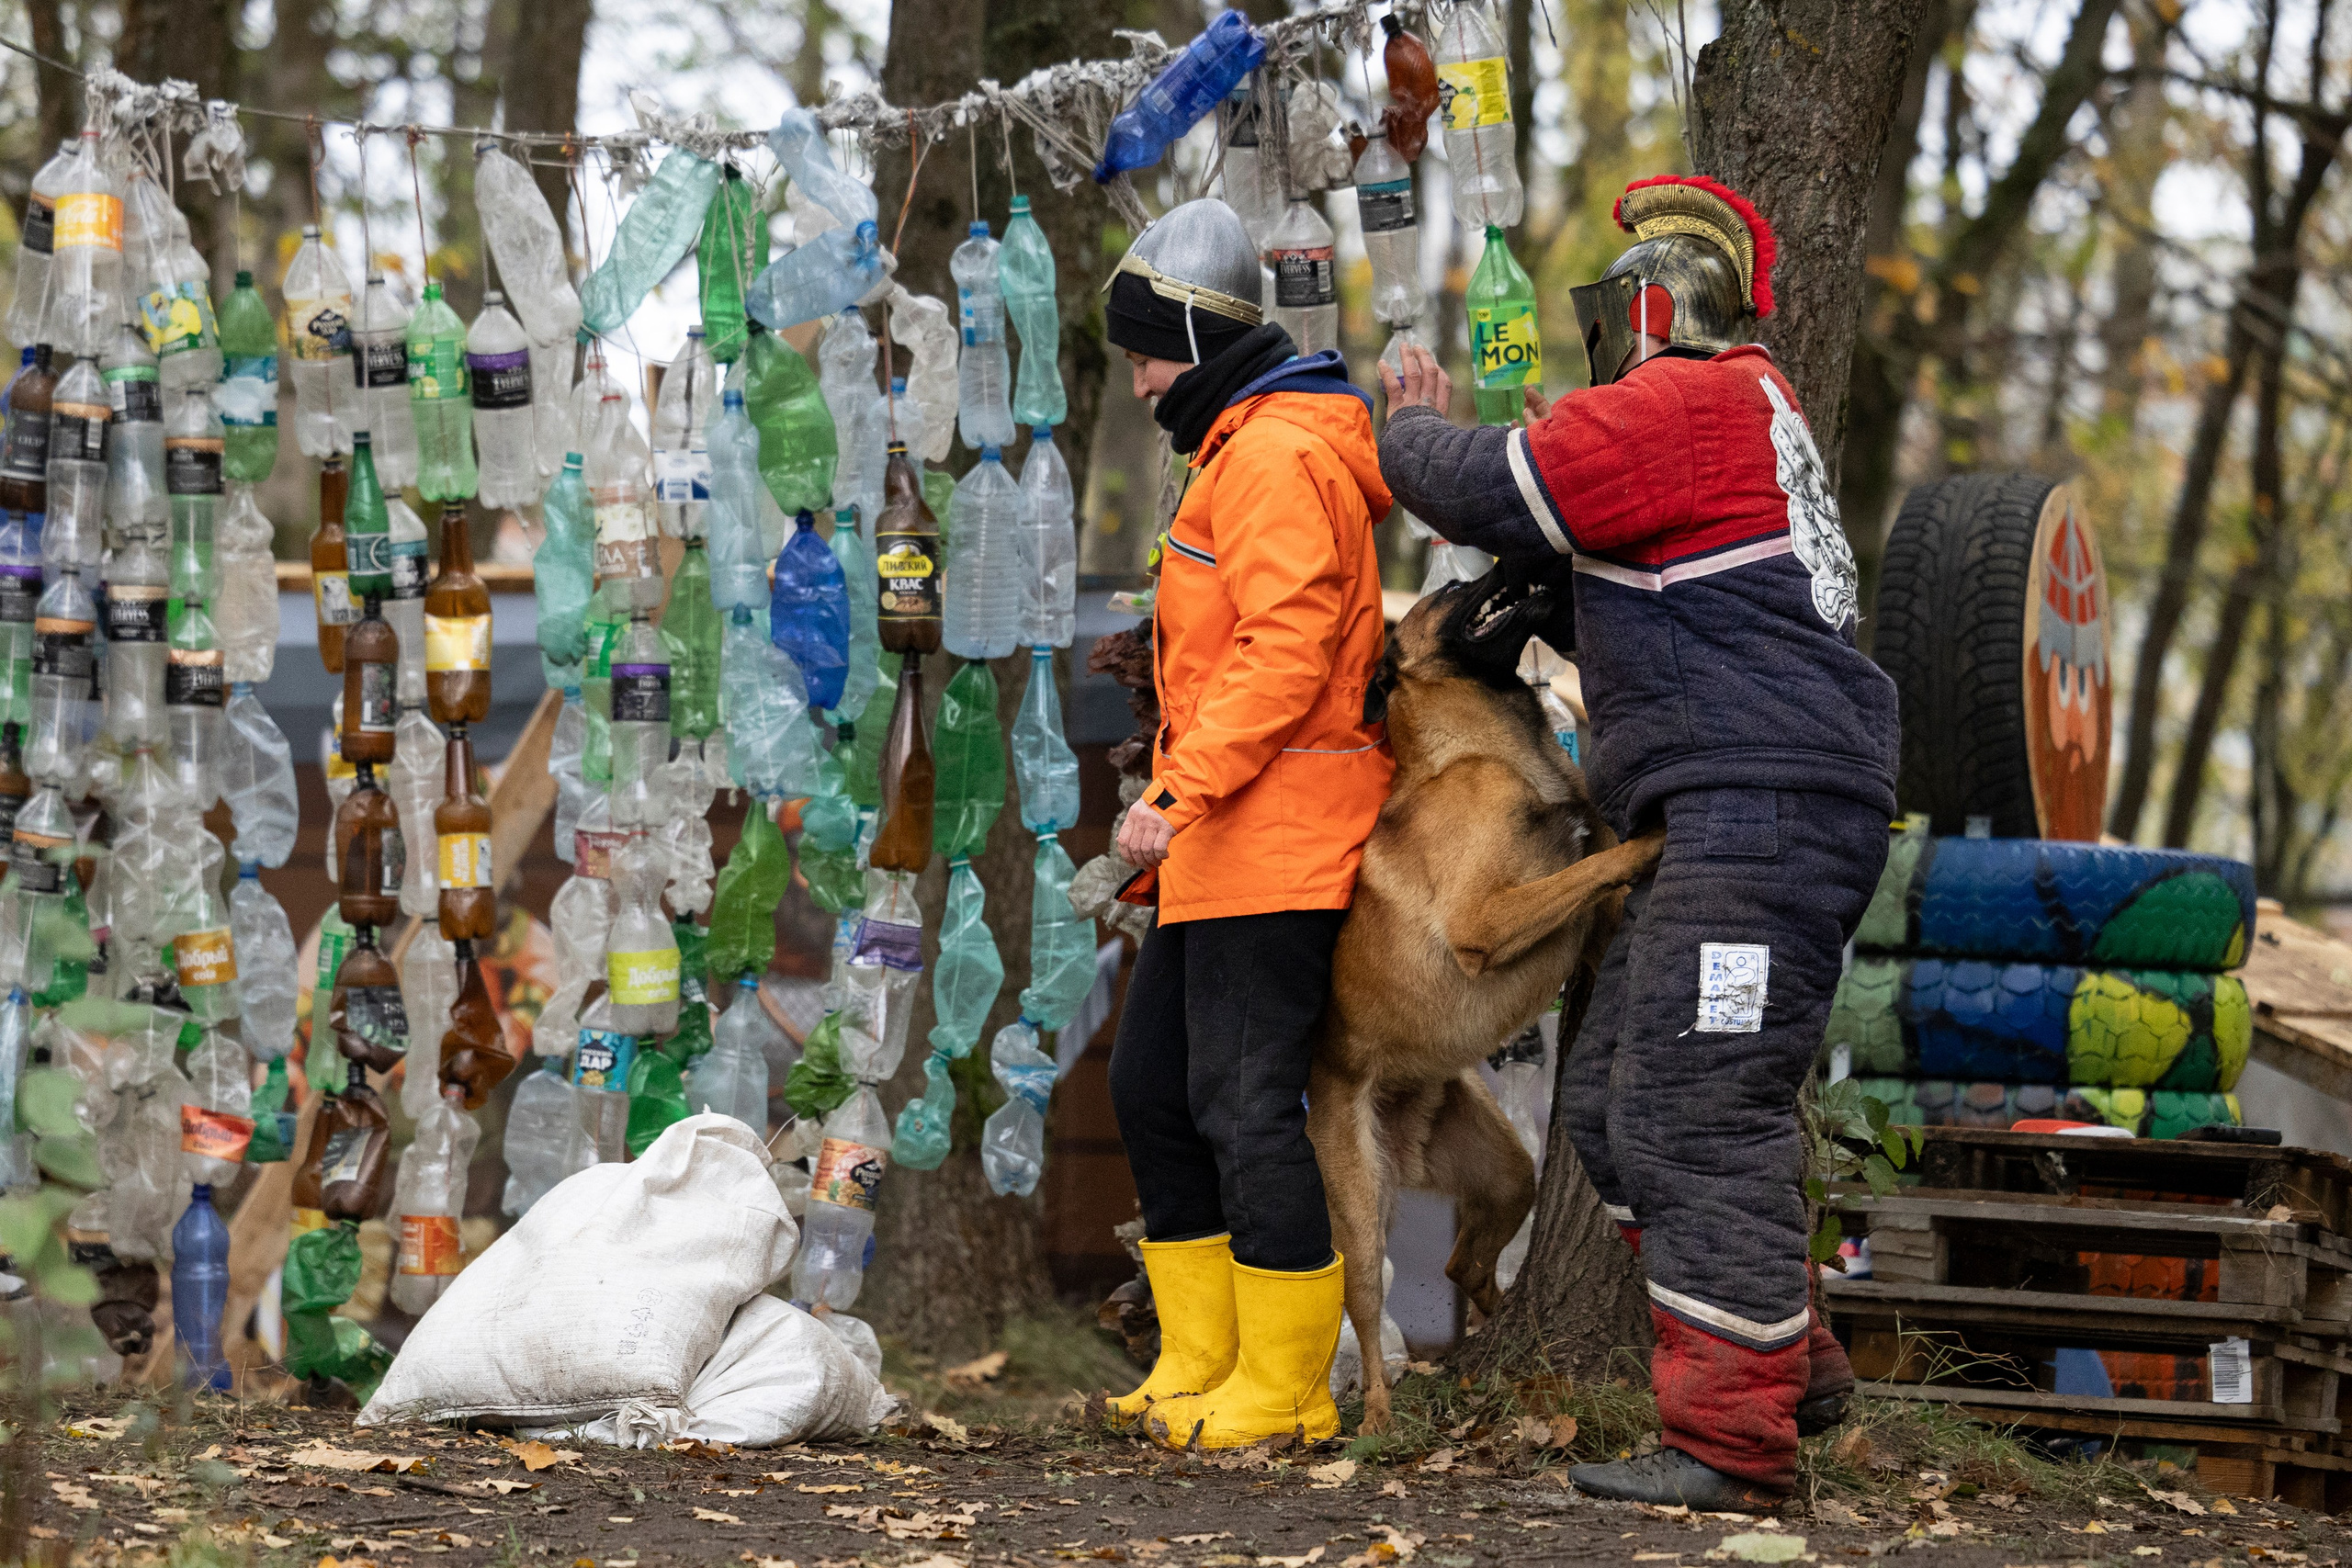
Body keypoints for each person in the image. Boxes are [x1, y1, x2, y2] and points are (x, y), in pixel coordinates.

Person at [1376, 175, 1901, 1507]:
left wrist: (1409, 428)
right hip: (1744, 805)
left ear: (1659, 308)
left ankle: (1731, 1448)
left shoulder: (1699, 400)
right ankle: (1795, 1377)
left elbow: (1511, 481)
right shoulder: (1745, 421)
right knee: (1616, 1096)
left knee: (1688, 1106)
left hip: (1761, 811)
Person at [1096, 198, 1394, 1451]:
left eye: (1149, 352)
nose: (1140, 378)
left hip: (1278, 833)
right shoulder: (1234, 447)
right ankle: (1199, 1358)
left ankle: (1288, 1389)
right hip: (1224, 837)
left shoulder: (1272, 457)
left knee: (1243, 1100)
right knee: (1151, 1088)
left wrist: (1176, 790)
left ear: (1200, 339)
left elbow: (1287, 653)